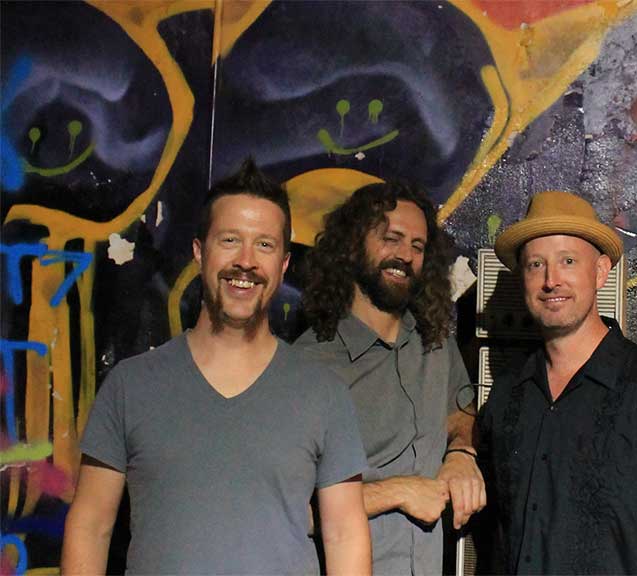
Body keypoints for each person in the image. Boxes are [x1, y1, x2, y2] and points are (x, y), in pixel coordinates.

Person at [62, 160, 371, 575]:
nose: (246, 261)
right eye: (229, 240)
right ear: (199, 252)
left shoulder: (324, 393)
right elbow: (91, 527)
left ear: (281, 266)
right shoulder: (130, 386)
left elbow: (344, 534)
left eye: (264, 245)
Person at [476, 190, 637, 575]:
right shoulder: (506, 395)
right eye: (536, 265)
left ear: (601, 272)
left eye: (568, 261)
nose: (551, 280)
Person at [295, 181, 485, 575]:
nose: (405, 255)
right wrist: (397, 491)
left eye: (417, 246)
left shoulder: (436, 344)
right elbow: (291, 512)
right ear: (352, 245)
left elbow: (461, 415)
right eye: (391, 239)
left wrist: (461, 454)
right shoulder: (307, 364)